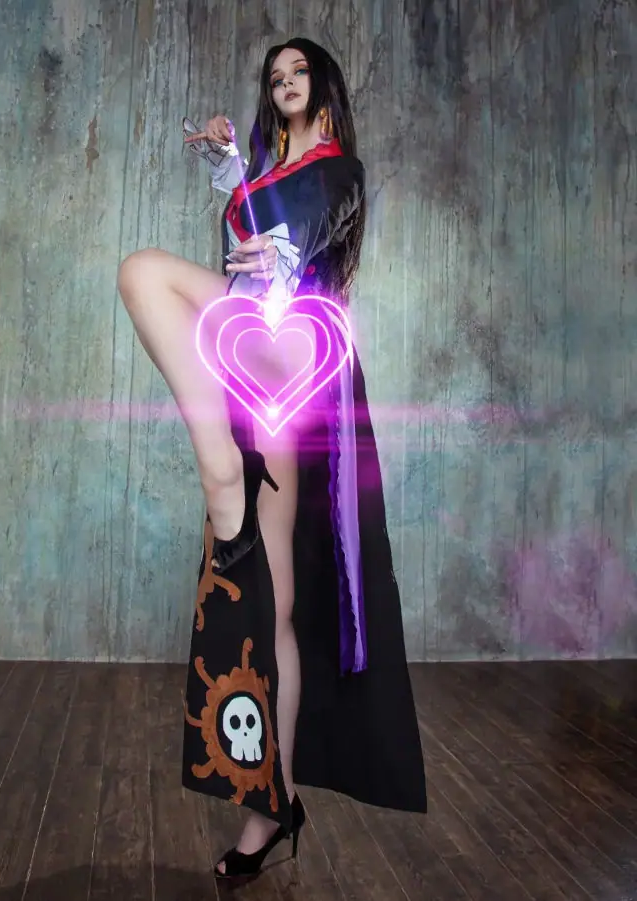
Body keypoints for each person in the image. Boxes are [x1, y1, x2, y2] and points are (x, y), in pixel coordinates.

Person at [118, 37, 426, 885]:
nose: (284, 82)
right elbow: (251, 231)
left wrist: (282, 253)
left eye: (298, 72)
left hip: (298, 358)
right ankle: (272, 803)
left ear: (321, 87)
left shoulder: (340, 170)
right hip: (251, 362)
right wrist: (233, 171)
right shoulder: (261, 174)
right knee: (143, 273)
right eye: (274, 75)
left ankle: (270, 809)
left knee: (281, 603)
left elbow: (316, 228)